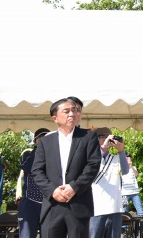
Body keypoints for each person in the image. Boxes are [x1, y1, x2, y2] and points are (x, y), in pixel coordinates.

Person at [32, 97, 102, 238]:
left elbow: (93, 165)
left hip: (78, 202)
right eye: (66, 111)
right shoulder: (45, 141)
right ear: (55, 118)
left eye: (74, 110)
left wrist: (74, 187)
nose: (72, 114)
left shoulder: (88, 137)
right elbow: (37, 171)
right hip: (53, 204)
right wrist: (52, 190)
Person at [90, 127, 130, 238]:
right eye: (104, 137)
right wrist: (103, 148)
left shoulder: (116, 158)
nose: (108, 139)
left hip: (115, 208)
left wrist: (121, 151)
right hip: (97, 209)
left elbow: (125, 171)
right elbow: (93, 168)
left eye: (109, 137)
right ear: (96, 139)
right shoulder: (90, 158)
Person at [16, 128, 49, 238]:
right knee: (26, 235)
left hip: (48, 203)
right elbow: (26, 166)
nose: (44, 140)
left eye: (46, 138)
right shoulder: (28, 154)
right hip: (29, 202)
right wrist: (39, 149)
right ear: (35, 141)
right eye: (41, 138)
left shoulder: (54, 156)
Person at [122, 156, 143, 238]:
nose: (128, 160)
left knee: (140, 212)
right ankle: (125, 233)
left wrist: (131, 167)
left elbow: (137, 175)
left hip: (135, 193)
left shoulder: (133, 168)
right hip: (124, 194)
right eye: (126, 159)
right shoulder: (120, 168)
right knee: (125, 214)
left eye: (129, 159)